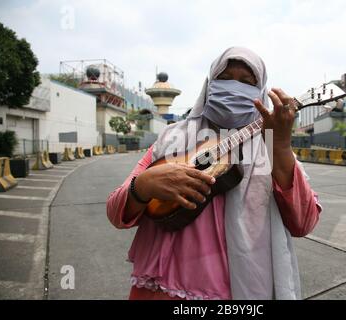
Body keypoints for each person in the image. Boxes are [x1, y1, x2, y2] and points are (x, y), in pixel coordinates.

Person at [107, 47, 322, 300]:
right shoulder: (170, 139)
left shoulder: (272, 147)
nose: (234, 87)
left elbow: (303, 223)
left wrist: (281, 147)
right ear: (209, 84)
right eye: (225, 78)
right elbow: (115, 212)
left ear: (261, 91)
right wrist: (141, 186)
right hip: (155, 290)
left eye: (246, 82)